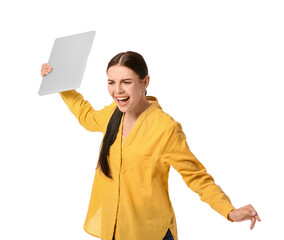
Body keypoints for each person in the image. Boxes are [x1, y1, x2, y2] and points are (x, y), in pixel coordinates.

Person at [41, 51, 261, 240]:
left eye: (126, 82)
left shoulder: (166, 128)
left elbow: (196, 177)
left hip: (150, 232)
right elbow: (86, 116)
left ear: (145, 82)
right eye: (111, 82)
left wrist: (229, 211)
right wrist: (60, 84)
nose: (117, 90)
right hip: (115, 230)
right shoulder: (112, 114)